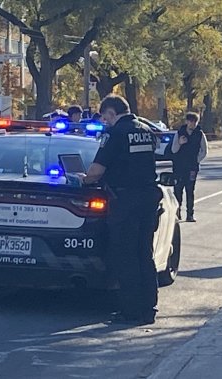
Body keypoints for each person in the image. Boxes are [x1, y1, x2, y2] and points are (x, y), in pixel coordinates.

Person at [81, 94, 162, 325]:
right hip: (148, 198)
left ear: (111, 112)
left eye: (105, 117)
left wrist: (84, 179)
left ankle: (130, 311)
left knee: (125, 255)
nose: (105, 121)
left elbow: (96, 171)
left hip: (125, 200)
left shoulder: (114, 133)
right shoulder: (146, 130)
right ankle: (149, 308)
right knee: (144, 252)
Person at [171, 112, 208, 222]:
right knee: (178, 190)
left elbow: (204, 150)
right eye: (190, 121)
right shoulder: (180, 133)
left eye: (195, 121)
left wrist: (197, 160)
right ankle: (177, 213)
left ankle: (190, 214)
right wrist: (179, 143)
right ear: (186, 121)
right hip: (179, 166)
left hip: (192, 167)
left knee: (190, 190)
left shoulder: (199, 134)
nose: (192, 124)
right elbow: (173, 150)